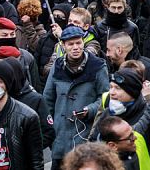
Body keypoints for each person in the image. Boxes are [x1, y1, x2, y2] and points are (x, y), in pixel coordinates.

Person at [44, 25, 110, 170]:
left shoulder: (98, 67)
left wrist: (90, 110)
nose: (75, 47)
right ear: (63, 45)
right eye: (71, 44)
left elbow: (105, 98)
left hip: (85, 134)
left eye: (78, 43)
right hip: (59, 137)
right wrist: (50, 130)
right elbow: (48, 99)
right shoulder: (57, 66)